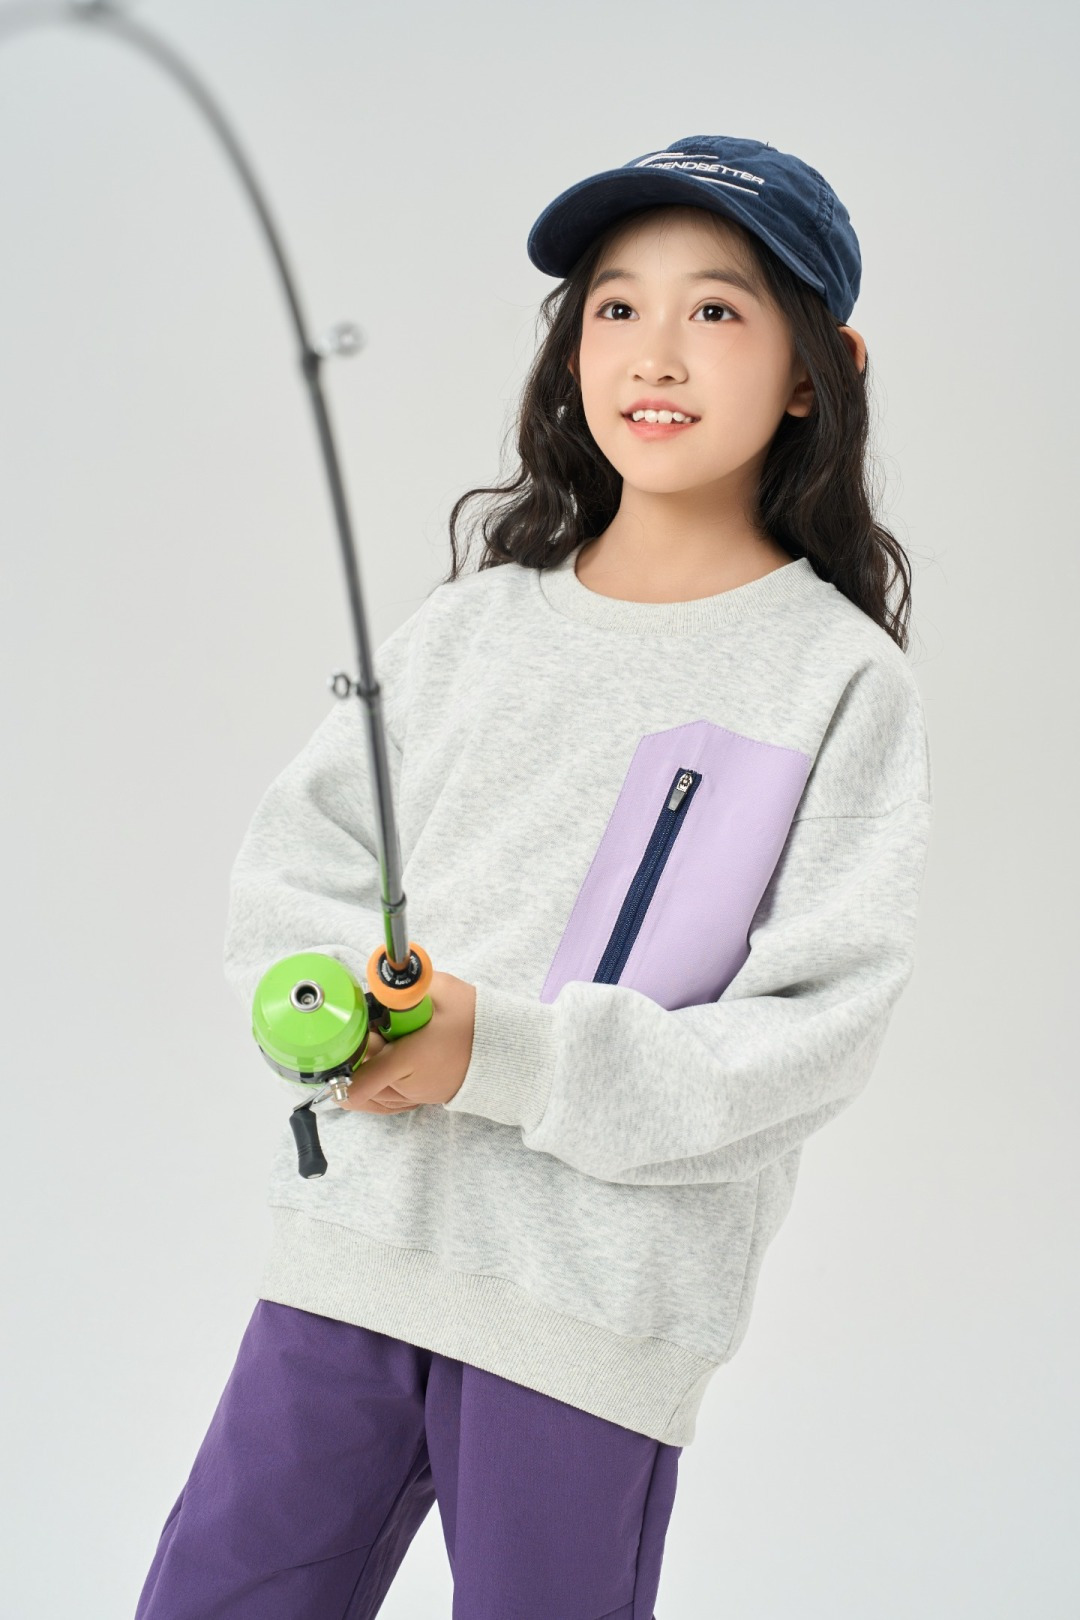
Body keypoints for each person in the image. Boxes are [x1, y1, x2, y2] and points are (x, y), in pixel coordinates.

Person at [134, 134, 933, 1619]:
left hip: (597, 1302)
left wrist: (497, 1054)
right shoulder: (472, 626)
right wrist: (327, 1013)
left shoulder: (836, 681)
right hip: (356, 1250)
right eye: (615, 306)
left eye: (717, 308)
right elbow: (303, 862)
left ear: (819, 370)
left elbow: (809, 1036)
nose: (656, 351)